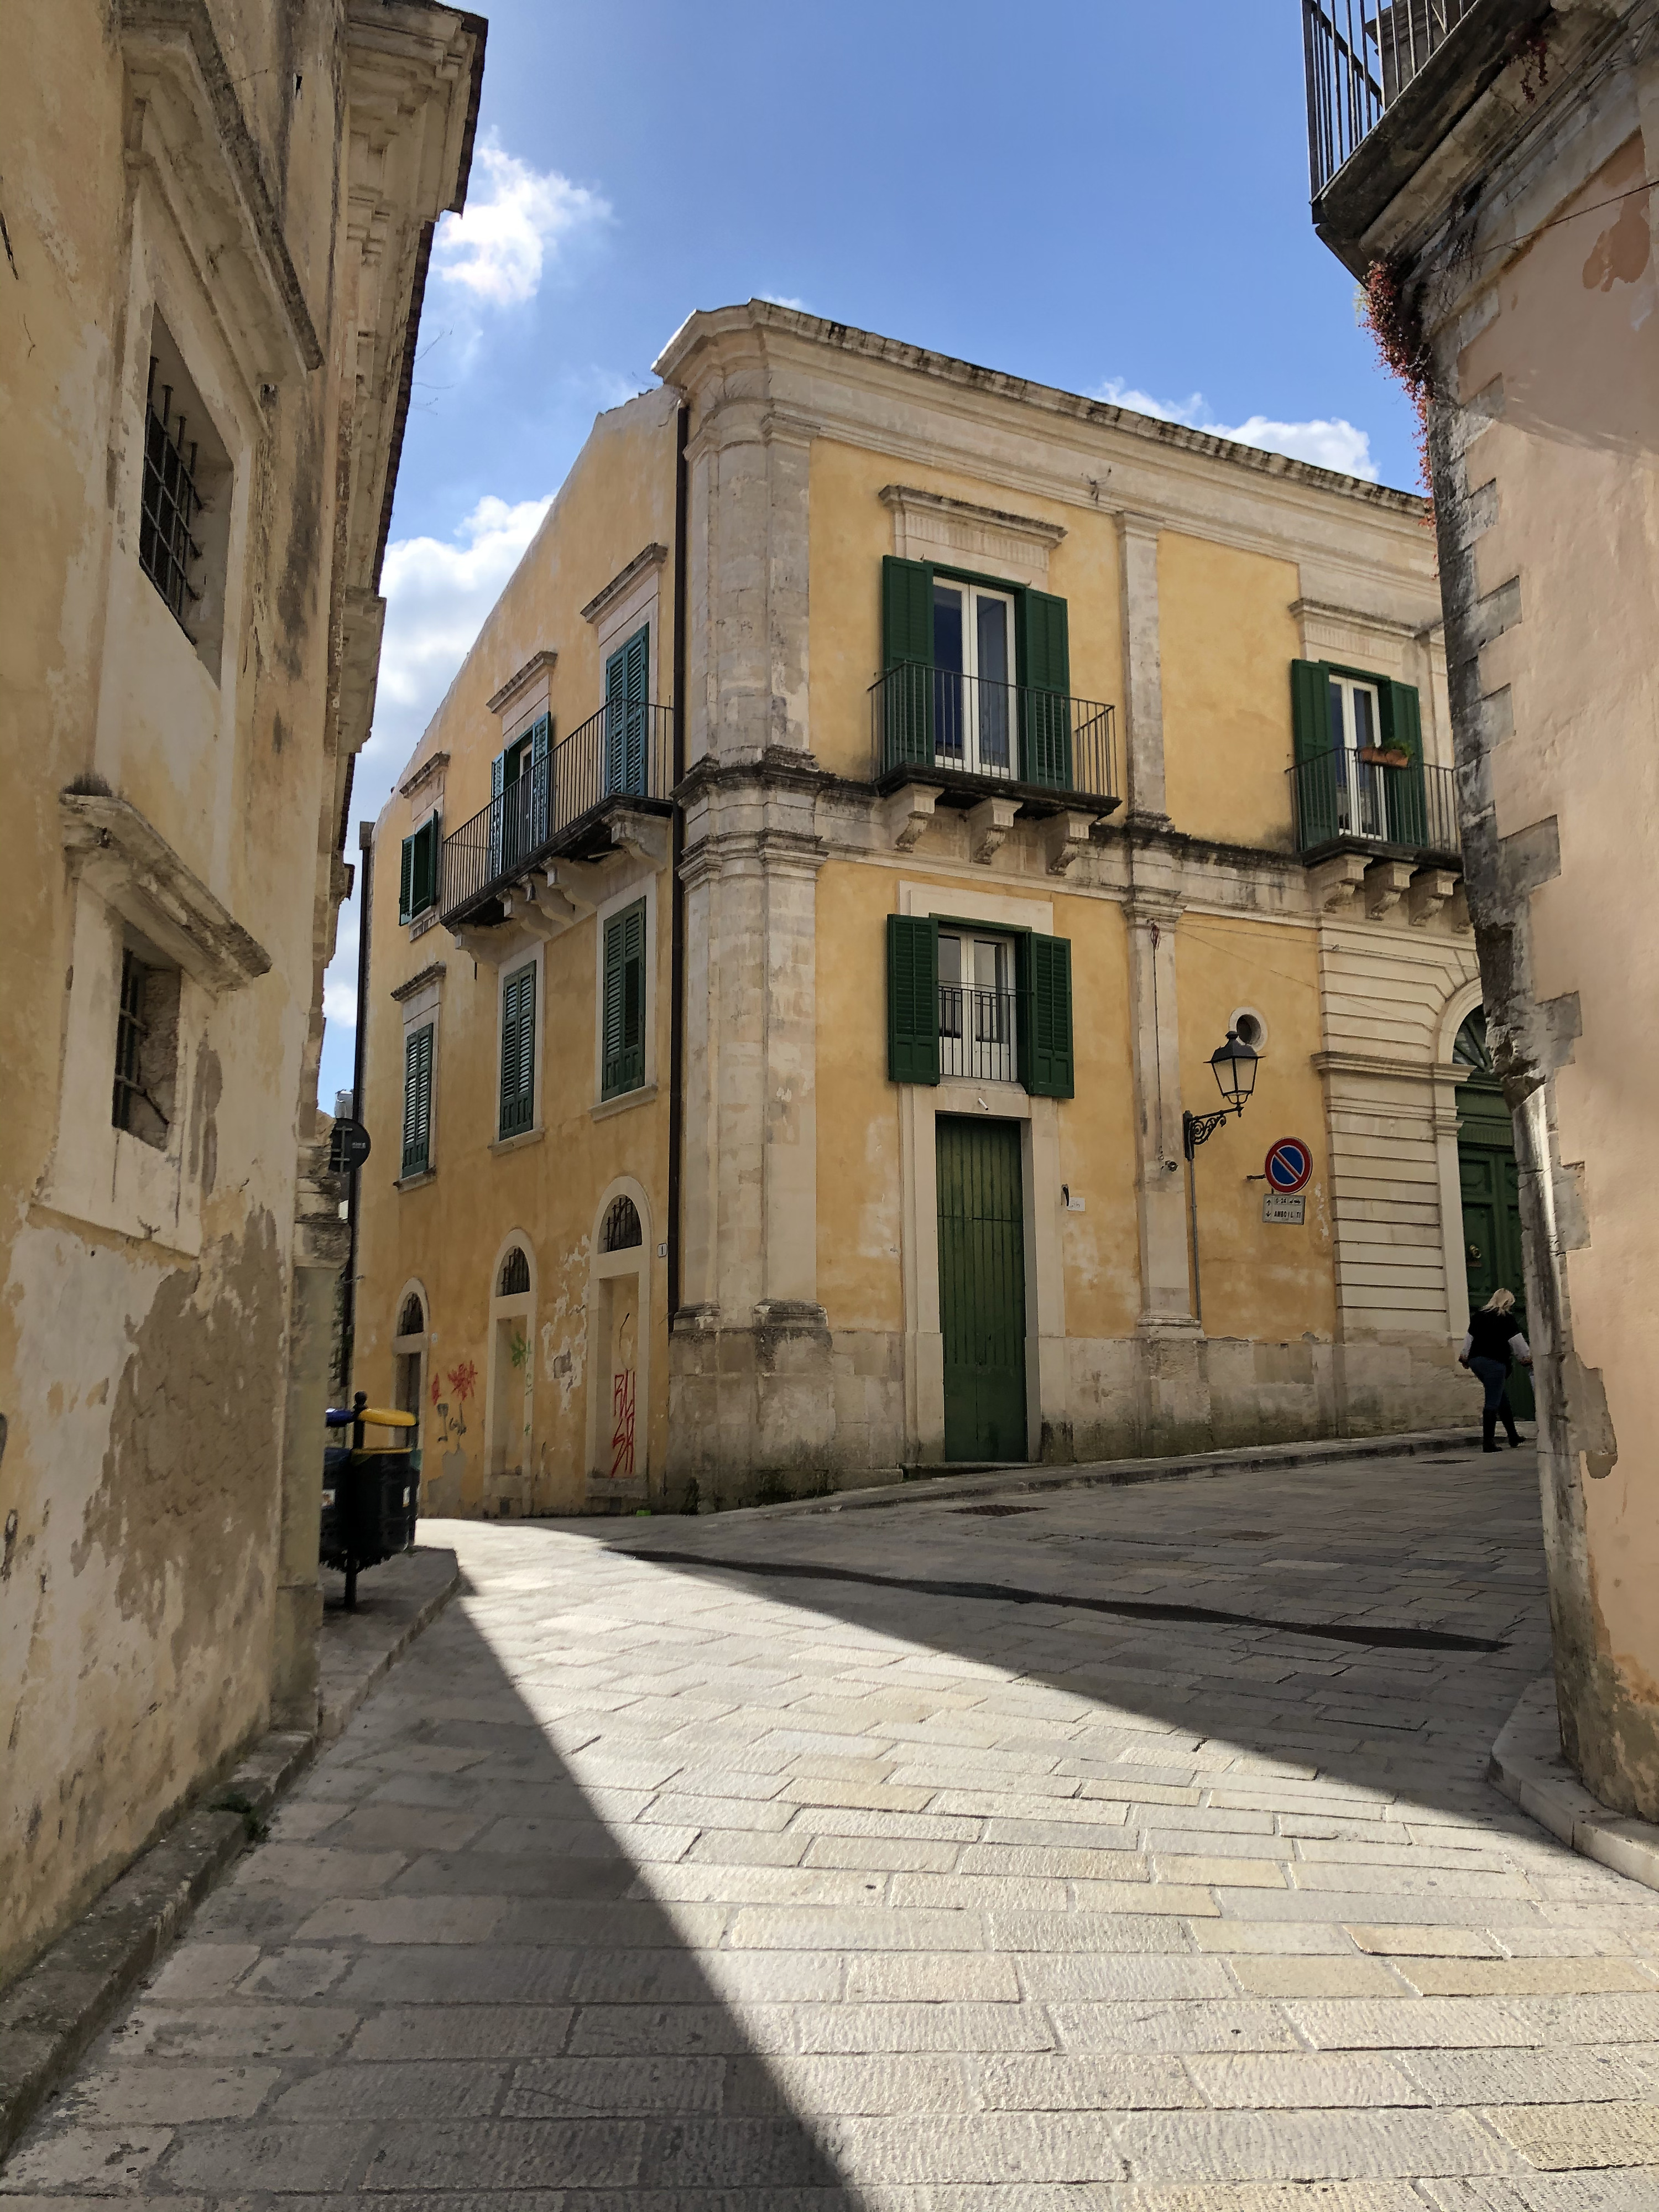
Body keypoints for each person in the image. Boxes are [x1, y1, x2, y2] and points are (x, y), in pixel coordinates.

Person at [1460, 1289, 1531, 1451]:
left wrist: (1464, 1357)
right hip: (1495, 1363)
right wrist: (1526, 1358)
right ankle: (1488, 1443)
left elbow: (1469, 1338)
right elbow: (1517, 1342)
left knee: (1501, 1397)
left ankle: (1513, 1436)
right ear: (1507, 1303)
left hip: (1476, 1361)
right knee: (1492, 1401)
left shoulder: (1479, 1316)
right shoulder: (1507, 1319)